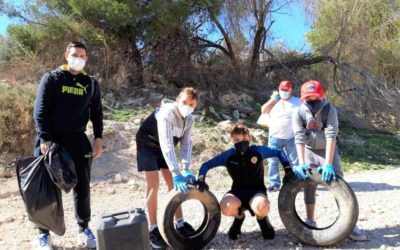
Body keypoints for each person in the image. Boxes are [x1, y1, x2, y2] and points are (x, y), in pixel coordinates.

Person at [33, 41, 103, 249]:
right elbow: (40, 110)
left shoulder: (90, 83)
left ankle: (84, 228)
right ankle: (44, 234)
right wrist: (44, 138)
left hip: (77, 140)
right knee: (45, 188)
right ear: (66, 55)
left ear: (86, 59)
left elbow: (97, 113)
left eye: (82, 56)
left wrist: (98, 138)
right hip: (50, 140)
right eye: (74, 54)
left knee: (82, 186)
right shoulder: (51, 78)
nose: (78, 58)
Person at [196, 123, 300, 240]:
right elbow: (206, 165)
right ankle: (239, 218)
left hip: (257, 192)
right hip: (237, 193)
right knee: (226, 207)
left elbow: (278, 151)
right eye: (237, 139)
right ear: (231, 140)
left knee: (261, 207)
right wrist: (201, 179)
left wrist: (288, 169)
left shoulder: (258, 151)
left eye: (244, 139)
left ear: (249, 138)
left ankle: (262, 220)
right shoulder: (228, 156)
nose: (241, 142)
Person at [291, 80, 367, 241]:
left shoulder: (329, 109)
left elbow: (331, 135)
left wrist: (328, 163)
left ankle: (350, 223)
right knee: (308, 185)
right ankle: (310, 220)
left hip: (328, 150)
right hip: (309, 151)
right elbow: (299, 137)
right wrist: (301, 162)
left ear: (322, 95)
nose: (312, 101)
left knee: (337, 183)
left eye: (315, 97)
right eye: (308, 98)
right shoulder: (298, 112)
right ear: (302, 98)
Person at [136, 87, 198, 249]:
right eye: (184, 102)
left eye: (191, 104)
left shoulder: (190, 119)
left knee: (174, 184)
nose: (187, 106)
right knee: (154, 185)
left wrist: (184, 168)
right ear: (177, 100)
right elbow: (167, 144)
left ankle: (180, 224)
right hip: (147, 143)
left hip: (165, 146)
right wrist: (176, 171)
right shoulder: (166, 114)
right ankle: (153, 229)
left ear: (195, 105)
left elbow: (186, 143)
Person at [261, 80, 302, 191]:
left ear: (291, 90)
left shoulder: (298, 101)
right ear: (279, 90)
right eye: (282, 90)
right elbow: (263, 110)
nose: (284, 92)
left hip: (291, 137)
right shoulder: (274, 101)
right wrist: (274, 98)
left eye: (286, 90)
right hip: (274, 137)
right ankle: (274, 184)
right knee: (273, 161)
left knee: (294, 161)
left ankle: (297, 183)